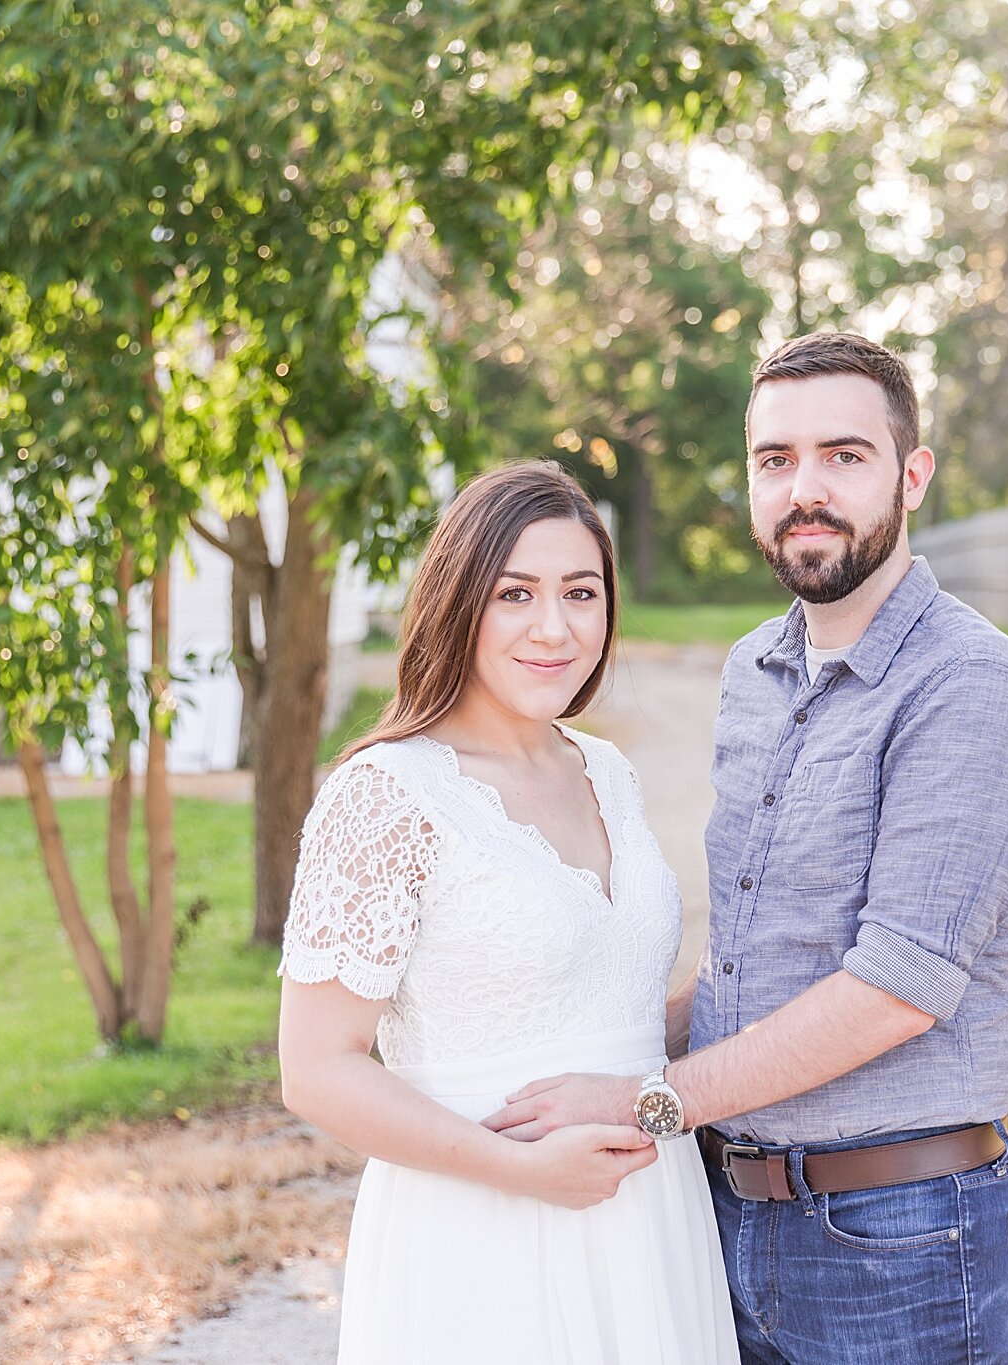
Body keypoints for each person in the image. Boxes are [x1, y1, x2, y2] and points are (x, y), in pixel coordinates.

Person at [485, 332, 1008, 1364]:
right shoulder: (754, 668)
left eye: (844, 456)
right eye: (774, 460)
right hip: (728, 1212)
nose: (806, 489)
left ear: (911, 474)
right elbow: (752, 964)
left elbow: (895, 986)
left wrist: (643, 1100)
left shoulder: (968, 686)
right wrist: (579, 1051)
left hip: (901, 1237)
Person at [277, 460, 740, 1364]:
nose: (554, 628)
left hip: (651, 1221)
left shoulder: (606, 770)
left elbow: (620, 1002)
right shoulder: (387, 793)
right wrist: (521, 1169)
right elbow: (317, 1067)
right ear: (459, 604)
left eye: (581, 592)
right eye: (515, 594)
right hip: (482, 1231)